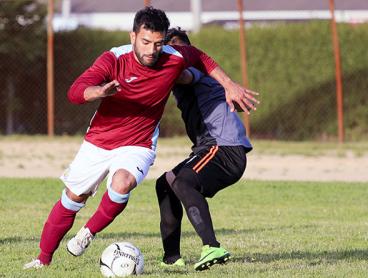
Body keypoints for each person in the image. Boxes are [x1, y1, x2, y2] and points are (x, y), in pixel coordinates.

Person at [23, 7, 258, 270]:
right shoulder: (114, 58)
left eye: (158, 44)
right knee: (73, 197)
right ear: (133, 36)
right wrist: (97, 91)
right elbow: (75, 91)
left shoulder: (173, 56)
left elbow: (201, 58)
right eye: (146, 42)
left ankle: (88, 232)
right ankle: (42, 259)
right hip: (99, 140)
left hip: (139, 143)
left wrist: (229, 84)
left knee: (122, 184)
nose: (152, 50)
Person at [156, 28, 253, 271]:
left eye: (179, 48)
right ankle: (171, 259)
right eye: (170, 48)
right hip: (210, 148)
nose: (175, 53)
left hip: (223, 149)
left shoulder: (194, 70)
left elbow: (184, 76)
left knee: (183, 183)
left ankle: (212, 246)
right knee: (166, 183)